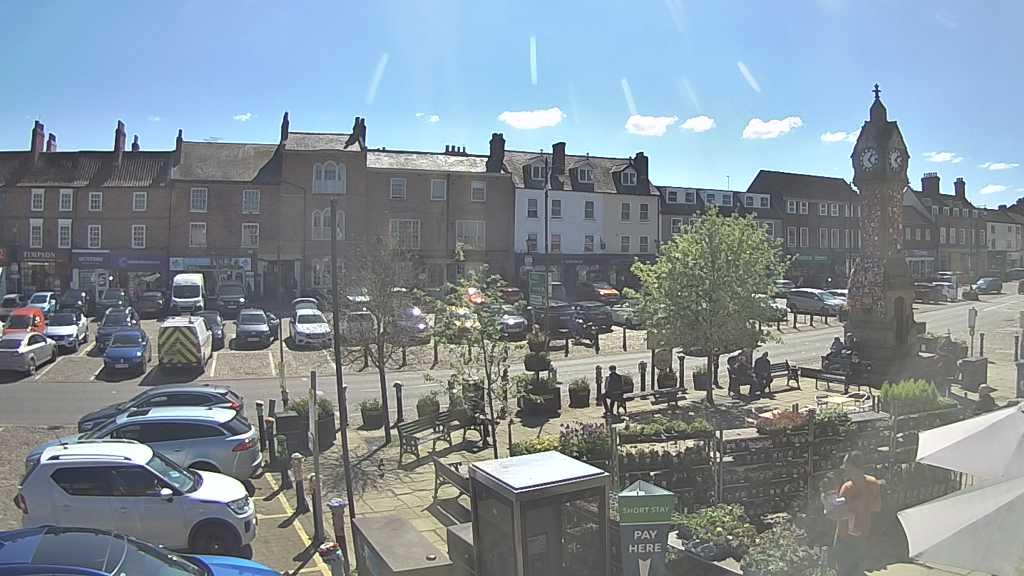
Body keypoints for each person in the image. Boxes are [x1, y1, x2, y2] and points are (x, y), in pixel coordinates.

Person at [831, 451, 882, 576]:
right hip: (863, 533)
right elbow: (877, 507)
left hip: (845, 536)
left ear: (852, 467)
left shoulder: (847, 488)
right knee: (858, 568)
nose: (844, 469)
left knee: (844, 569)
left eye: (846, 466)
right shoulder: (873, 483)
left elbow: (838, 514)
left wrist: (849, 506)